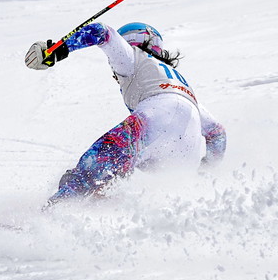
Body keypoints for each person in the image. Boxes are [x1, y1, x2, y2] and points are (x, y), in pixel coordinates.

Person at [24, 21, 226, 204]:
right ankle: (102, 218)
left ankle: (52, 214)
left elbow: (100, 32)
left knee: (92, 168)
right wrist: (205, 171)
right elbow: (217, 133)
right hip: (185, 151)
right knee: (109, 182)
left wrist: (58, 49)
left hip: (156, 117)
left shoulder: (133, 57)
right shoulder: (179, 84)